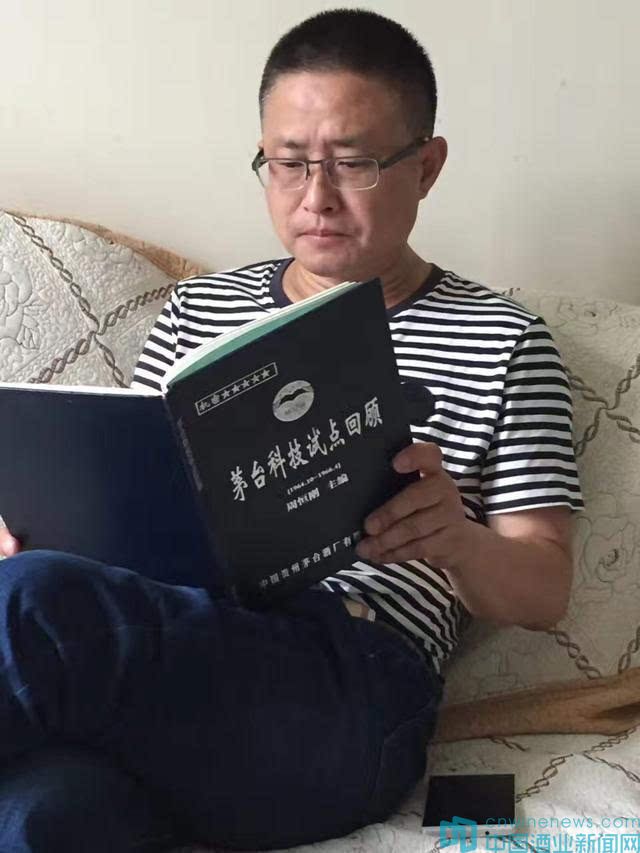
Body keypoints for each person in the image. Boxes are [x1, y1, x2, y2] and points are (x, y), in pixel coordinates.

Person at [0, 8, 583, 852]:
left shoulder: (504, 339)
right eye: (288, 163)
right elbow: (127, 507)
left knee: (34, 607)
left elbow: (544, 587)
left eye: (353, 163)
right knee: (45, 812)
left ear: (426, 166)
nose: (316, 198)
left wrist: (457, 539)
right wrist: (39, 532)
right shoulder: (199, 310)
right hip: (173, 653)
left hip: (349, 687)